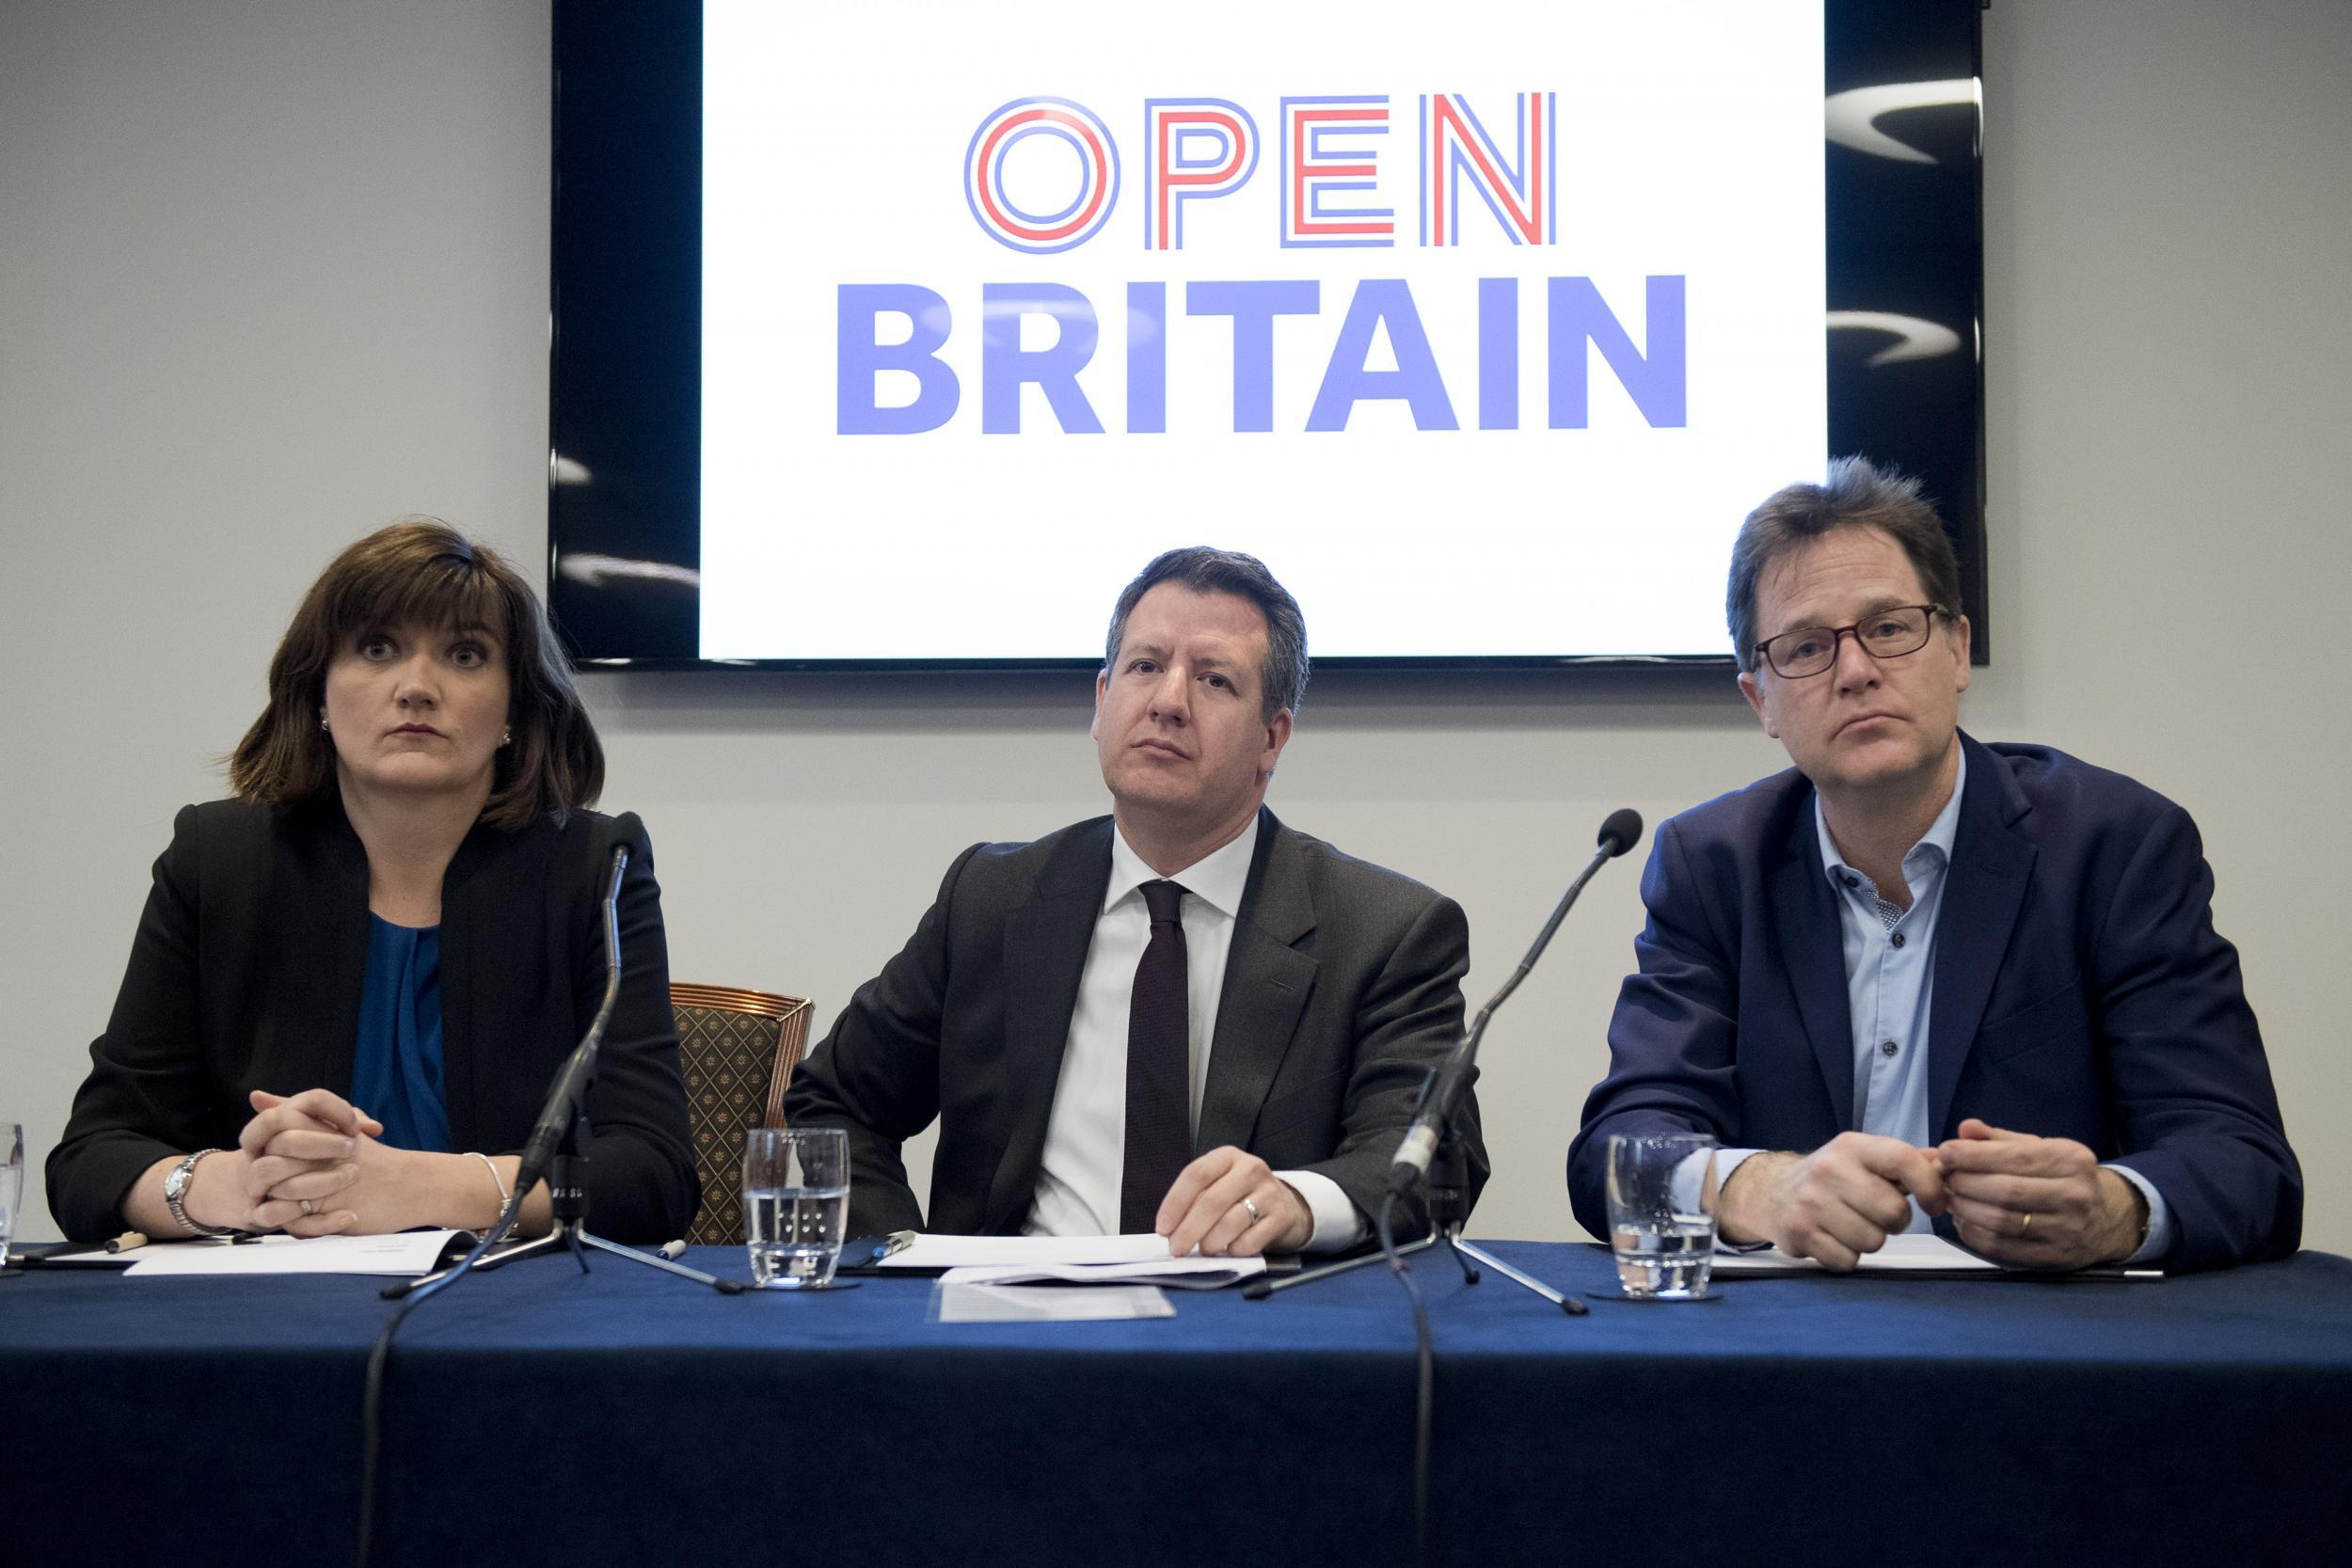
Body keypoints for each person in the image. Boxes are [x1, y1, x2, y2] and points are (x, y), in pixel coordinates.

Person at [1567, 459, 2298, 1273]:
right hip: (1790, 1344)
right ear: (1760, 700)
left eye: (1888, 628)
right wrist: (1756, 1187)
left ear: (1957, 649)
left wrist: (2116, 1209)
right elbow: (1619, 1146)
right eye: (1807, 647)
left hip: (2044, 1349)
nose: (1855, 671)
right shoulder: (1712, 864)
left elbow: (2243, 1158)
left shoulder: (2114, 847)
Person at [787, 546, 1485, 1256]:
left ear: (1272, 738)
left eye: (1214, 680)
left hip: (1251, 1332)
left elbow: (1432, 1161)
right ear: (1101, 700)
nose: (1168, 702)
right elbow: (834, 1104)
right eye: (1145, 666)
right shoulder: (992, 899)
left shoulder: (1383, 931)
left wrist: (1300, 1202)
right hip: (1006, 1335)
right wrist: (905, 1258)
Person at [47, 520, 696, 1244]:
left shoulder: (592, 866)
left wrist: (420, 1183)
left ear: (516, 707)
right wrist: (222, 1184)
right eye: (377, 648)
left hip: (507, 1312)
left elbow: (654, 1172)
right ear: (318, 691)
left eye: (465, 654)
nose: (416, 687)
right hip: (257, 1310)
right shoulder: (218, 860)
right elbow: (88, 1160)